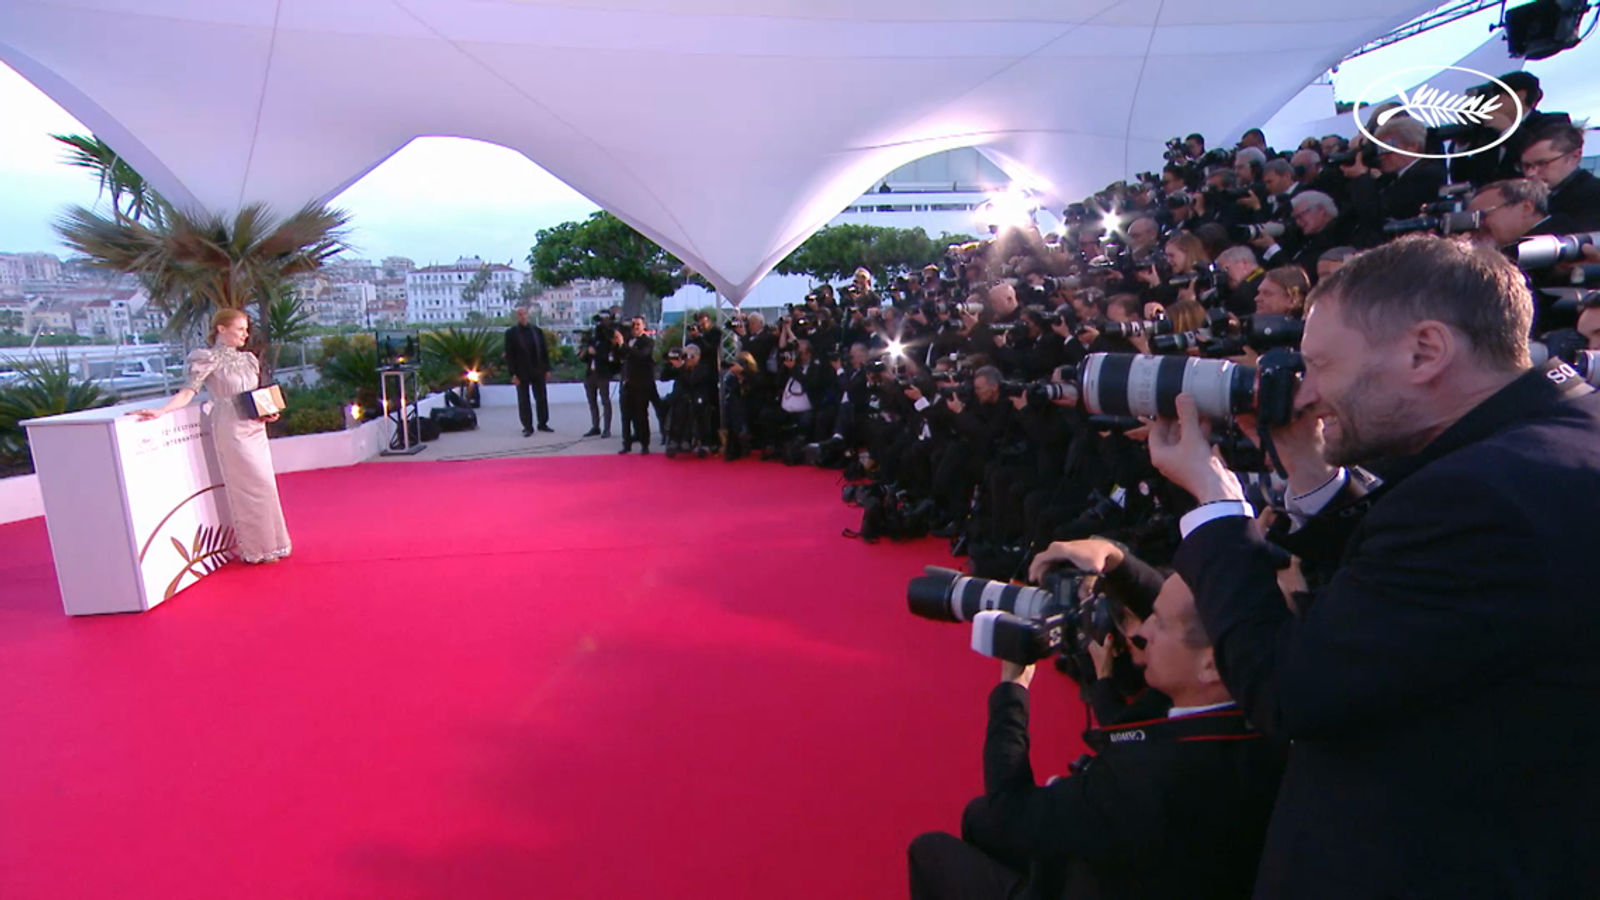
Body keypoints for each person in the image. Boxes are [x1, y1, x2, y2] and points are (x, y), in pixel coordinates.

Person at [1147, 235, 1600, 898]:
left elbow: (1289, 688)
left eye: (1321, 365)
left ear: (1425, 351)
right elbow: (1423, 599)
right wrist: (1308, 468)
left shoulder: (1481, 495)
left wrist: (1216, 504)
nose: (1307, 392)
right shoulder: (1558, 433)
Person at [906, 573, 1285, 900]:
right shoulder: (1266, 714)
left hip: (1108, 880)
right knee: (977, 818)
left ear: (1210, 665)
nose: (1141, 631)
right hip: (1165, 870)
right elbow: (1149, 734)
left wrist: (1013, 690)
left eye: (1162, 624)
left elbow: (1010, 811)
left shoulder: (1148, 777)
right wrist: (1103, 684)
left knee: (930, 851)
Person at [132, 308, 291, 565]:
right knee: (249, 487)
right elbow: (188, 392)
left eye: (246, 329)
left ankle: (274, 544)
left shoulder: (249, 358)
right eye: (240, 329)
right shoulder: (206, 358)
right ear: (221, 328)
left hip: (255, 427)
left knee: (265, 484)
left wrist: (268, 413)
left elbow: (254, 394)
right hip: (231, 428)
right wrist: (161, 411)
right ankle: (256, 549)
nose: (245, 335)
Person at [504, 307, 552, 436]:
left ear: (527, 315)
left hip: (538, 370)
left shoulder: (537, 331)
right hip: (521, 372)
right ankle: (527, 427)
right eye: (519, 315)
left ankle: (542, 423)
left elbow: (544, 351)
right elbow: (510, 356)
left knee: (541, 398)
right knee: (523, 400)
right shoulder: (511, 333)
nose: (522, 316)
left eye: (524, 314)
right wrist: (513, 374)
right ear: (517, 316)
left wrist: (547, 369)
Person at [612, 315, 656, 454]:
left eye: (638, 324)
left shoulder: (647, 341)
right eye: (633, 325)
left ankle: (644, 444)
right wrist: (617, 345)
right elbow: (618, 358)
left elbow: (641, 356)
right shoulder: (628, 341)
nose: (635, 327)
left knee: (641, 415)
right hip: (627, 382)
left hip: (641, 384)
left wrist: (624, 345)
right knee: (626, 415)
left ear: (644, 326)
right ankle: (627, 443)